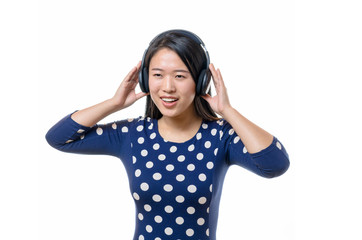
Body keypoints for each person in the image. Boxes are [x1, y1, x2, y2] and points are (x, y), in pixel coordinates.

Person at [46, 29, 290, 240]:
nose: (168, 87)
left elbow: (275, 164)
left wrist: (228, 111)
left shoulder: (220, 136)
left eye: (180, 76)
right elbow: (58, 138)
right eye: (158, 75)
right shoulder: (132, 133)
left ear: (201, 80)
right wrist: (114, 103)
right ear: (145, 79)